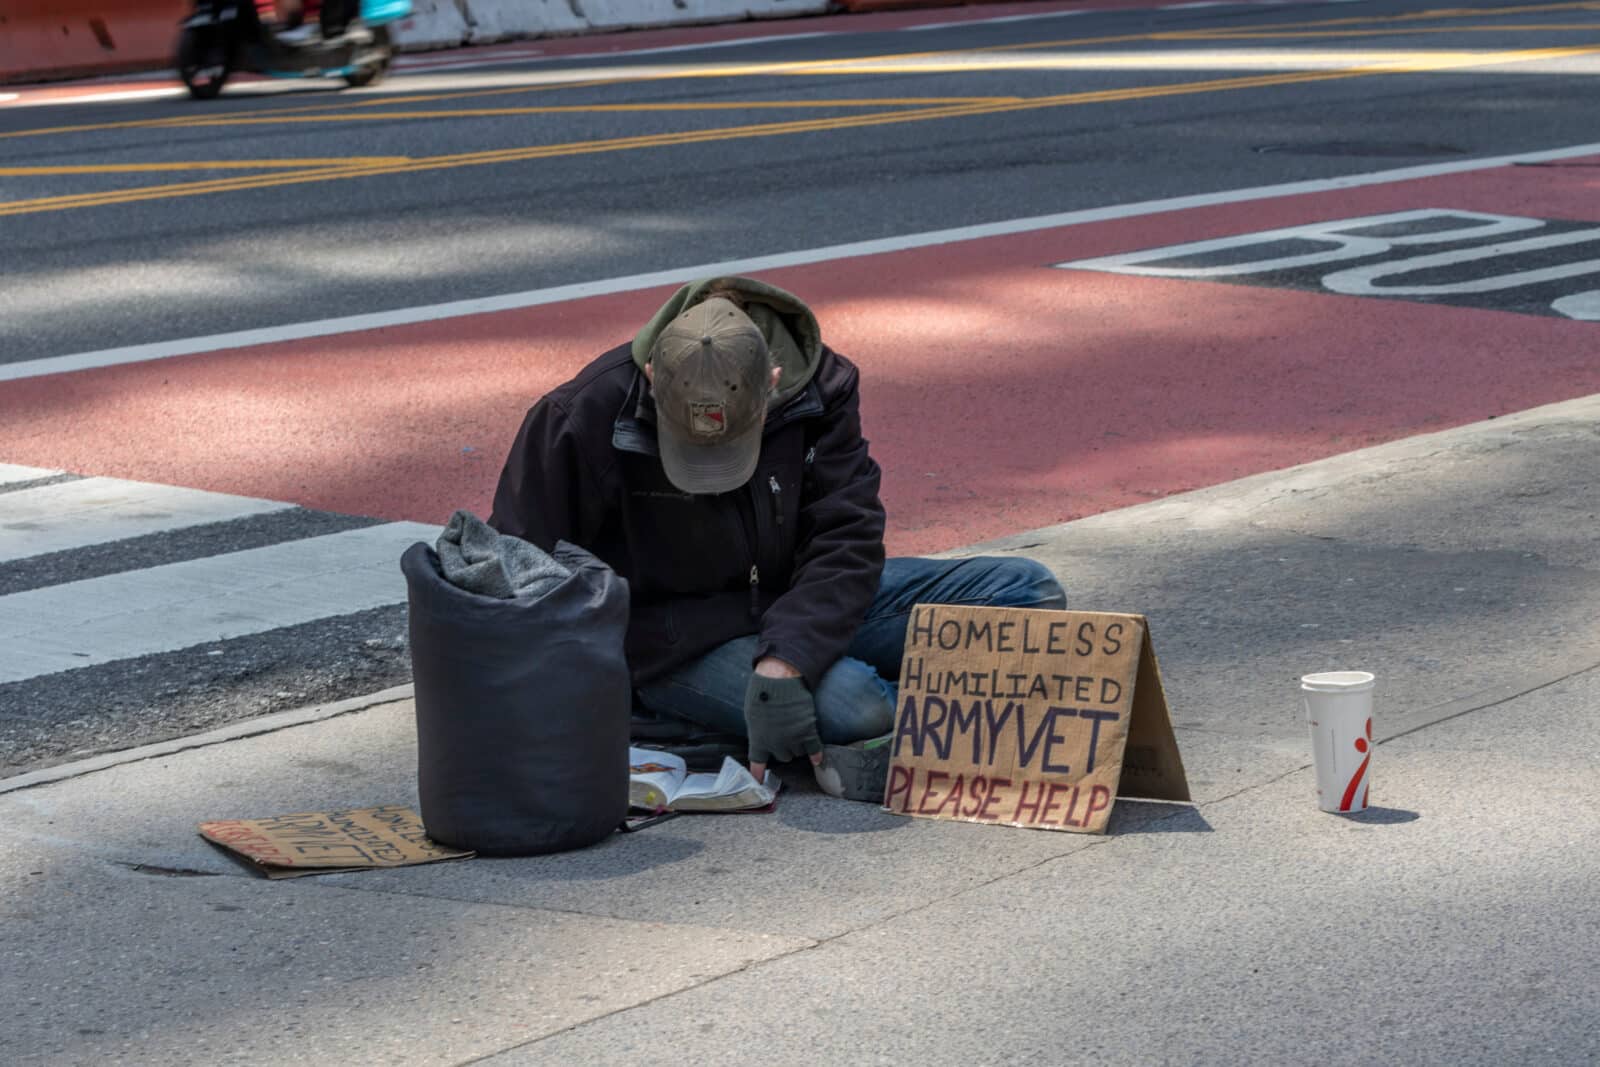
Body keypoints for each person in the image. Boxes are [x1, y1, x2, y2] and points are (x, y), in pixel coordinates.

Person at [489, 277, 1065, 801]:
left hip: (795, 596)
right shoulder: (581, 413)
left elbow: (847, 533)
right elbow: (515, 564)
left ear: (772, 386)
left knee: (1029, 596)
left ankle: (776, 710)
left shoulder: (824, 387)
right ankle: (698, 715)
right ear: (650, 379)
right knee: (859, 710)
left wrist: (789, 659)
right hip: (673, 641)